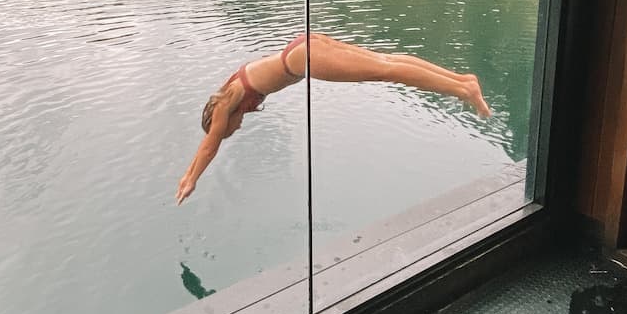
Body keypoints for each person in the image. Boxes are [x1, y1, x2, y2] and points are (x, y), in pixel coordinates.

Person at [176, 32, 491, 204]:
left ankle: (462, 91)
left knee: (386, 71)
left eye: (230, 130)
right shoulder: (230, 91)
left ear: (219, 120)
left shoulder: (223, 106)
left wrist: (192, 179)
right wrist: (186, 174)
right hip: (303, 46)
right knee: (387, 61)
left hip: (301, 58)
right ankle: (464, 81)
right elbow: (206, 144)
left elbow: (208, 146)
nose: (236, 127)